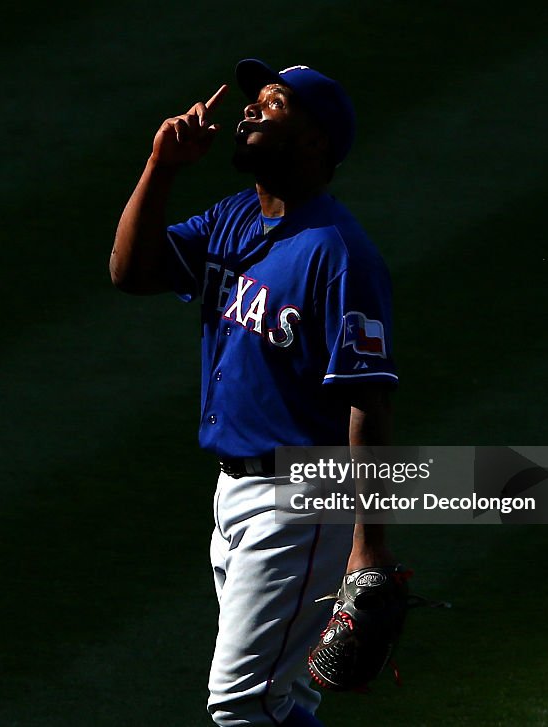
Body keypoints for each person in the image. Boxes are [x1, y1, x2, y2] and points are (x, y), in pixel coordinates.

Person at [110, 59, 399, 727]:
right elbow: (131, 270)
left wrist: (368, 544)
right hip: (233, 494)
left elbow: (369, 401)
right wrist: (163, 164)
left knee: (240, 703)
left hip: (299, 500)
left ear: (315, 140)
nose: (247, 112)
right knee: (282, 698)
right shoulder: (231, 218)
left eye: (272, 105)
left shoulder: (340, 253)